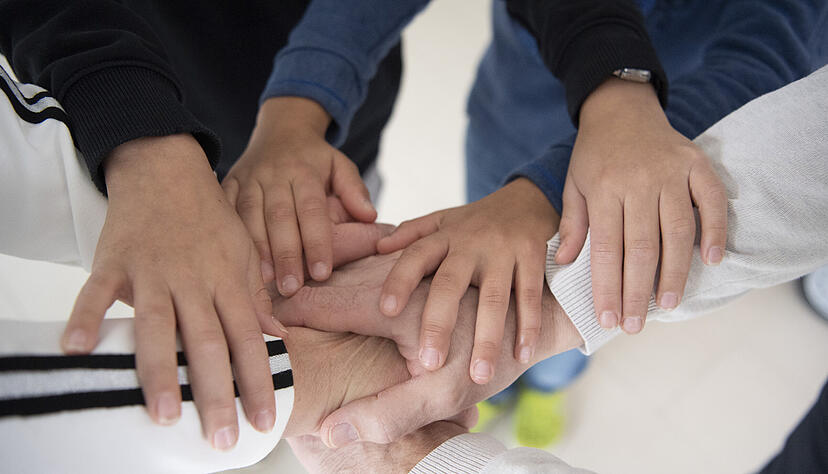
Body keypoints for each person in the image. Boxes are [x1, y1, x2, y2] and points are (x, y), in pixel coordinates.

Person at [0, 0, 678, 449]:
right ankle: (504, 368)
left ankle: (544, 375)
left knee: (545, 329)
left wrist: (594, 119)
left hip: (334, 139)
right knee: (485, 299)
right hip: (260, 137)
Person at [260, 0, 828, 446]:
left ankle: (548, 380)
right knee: (484, 290)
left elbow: (770, 64)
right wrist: (298, 102)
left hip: (646, 176)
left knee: (571, 317)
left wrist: (543, 192)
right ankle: (505, 383)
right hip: (508, 138)